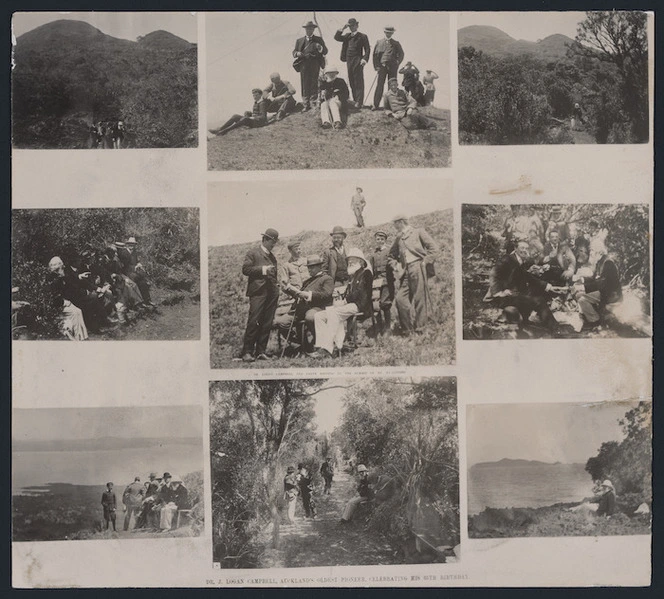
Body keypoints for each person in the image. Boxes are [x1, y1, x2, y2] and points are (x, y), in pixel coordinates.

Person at [483, 239, 564, 334]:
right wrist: (499, 292)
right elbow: (494, 274)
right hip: (502, 297)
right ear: (515, 248)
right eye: (522, 247)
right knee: (539, 301)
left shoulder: (521, 260)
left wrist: (548, 286)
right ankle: (556, 329)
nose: (525, 250)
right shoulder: (507, 259)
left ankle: (526, 321)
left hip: (514, 294)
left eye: (526, 248)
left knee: (539, 292)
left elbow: (527, 277)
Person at [310, 248, 373, 358]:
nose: (350, 262)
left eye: (354, 259)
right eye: (349, 260)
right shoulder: (352, 276)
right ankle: (322, 346)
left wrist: (344, 301)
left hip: (360, 305)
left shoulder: (365, 273)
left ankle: (327, 349)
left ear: (361, 262)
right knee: (319, 315)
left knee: (334, 313)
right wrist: (340, 299)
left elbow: (360, 293)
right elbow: (349, 293)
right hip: (349, 305)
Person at [388, 215, 438, 335]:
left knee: (419, 298)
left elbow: (434, 249)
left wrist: (425, 261)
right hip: (405, 271)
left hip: (418, 267)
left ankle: (421, 329)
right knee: (400, 299)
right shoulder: (399, 238)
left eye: (395, 223)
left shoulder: (418, 232)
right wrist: (396, 266)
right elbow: (391, 256)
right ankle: (407, 330)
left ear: (400, 222)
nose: (394, 226)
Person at [273, 254, 334, 351]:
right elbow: (299, 294)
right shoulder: (307, 281)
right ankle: (302, 344)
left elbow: (327, 295)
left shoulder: (327, 279)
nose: (310, 270)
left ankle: (320, 342)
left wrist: (309, 295)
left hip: (318, 307)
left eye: (312, 267)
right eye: (309, 267)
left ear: (319, 267)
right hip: (300, 309)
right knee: (281, 322)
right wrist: (289, 289)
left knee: (310, 317)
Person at [240, 228, 280, 362]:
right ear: (265, 239)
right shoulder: (253, 253)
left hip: (271, 293)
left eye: (275, 242)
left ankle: (261, 351)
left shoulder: (272, 257)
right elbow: (245, 269)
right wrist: (263, 270)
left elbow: (274, 275)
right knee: (254, 321)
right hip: (258, 293)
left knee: (267, 323)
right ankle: (247, 352)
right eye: (272, 242)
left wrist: (276, 288)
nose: (273, 245)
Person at [48, 256, 108, 335]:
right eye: (60, 268)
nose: (62, 269)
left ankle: (100, 323)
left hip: (74, 297)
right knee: (90, 302)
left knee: (93, 299)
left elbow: (76, 280)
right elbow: (61, 294)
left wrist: (96, 288)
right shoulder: (54, 279)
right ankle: (94, 327)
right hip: (68, 301)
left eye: (61, 267)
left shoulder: (65, 274)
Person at [575, 246, 622, 328]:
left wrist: (583, 287)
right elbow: (594, 278)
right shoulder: (600, 262)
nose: (591, 253)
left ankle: (595, 321)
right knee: (579, 295)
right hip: (604, 291)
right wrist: (582, 280)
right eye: (591, 251)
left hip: (611, 294)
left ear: (600, 253)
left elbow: (602, 283)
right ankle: (588, 317)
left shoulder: (608, 263)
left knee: (582, 299)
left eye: (593, 250)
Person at [333, 18, 371, 108]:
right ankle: (355, 101)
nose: (351, 28)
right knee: (351, 80)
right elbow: (337, 38)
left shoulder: (362, 36)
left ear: (357, 26)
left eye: (353, 26)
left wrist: (364, 59)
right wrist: (343, 28)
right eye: (350, 26)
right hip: (349, 60)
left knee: (358, 81)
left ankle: (359, 102)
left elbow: (368, 49)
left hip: (358, 60)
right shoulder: (347, 36)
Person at [293, 21, 328, 112]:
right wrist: (297, 53)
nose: (310, 30)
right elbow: (294, 52)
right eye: (308, 28)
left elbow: (325, 51)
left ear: (313, 29)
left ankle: (313, 102)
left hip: (315, 63)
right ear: (305, 29)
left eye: (311, 28)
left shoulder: (318, 39)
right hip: (303, 64)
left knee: (314, 82)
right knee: (304, 83)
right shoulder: (299, 40)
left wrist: (320, 48)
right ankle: (306, 104)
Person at [372, 26, 404, 111]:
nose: (389, 34)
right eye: (387, 32)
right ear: (384, 32)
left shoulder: (396, 43)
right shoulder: (379, 42)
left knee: (392, 86)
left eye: (390, 32)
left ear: (392, 33)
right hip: (382, 67)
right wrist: (377, 66)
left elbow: (401, 54)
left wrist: (397, 62)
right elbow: (375, 56)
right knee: (379, 85)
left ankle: (391, 106)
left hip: (392, 67)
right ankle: (376, 105)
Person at [370, 230, 395, 336]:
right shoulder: (373, 254)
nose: (380, 241)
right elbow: (371, 269)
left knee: (385, 304)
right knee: (376, 305)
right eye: (378, 239)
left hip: (386, 282)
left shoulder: (389, 251)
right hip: (376, 282)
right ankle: (379, 327)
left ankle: (388, 327)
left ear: (385, 240)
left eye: (382, 239)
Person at [118, 237, 154, 307]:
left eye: (133, 245)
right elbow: (124, 266)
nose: (132, 246)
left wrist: (138, 264)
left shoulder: (134, 252)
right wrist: (134, 267)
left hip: (133, 272)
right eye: (130, 244)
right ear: (127, 244)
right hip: (126, 273)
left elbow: (136, 261)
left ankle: (147, 300)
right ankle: (138, 302)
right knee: (135, 280)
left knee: (143, 282)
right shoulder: (124, 252)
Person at [319, 66, 349, 130]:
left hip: (339, 102)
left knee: (333, 102)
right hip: (328, 103)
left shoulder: (341, 81)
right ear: (326, 74)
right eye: (329, 73)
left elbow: (346, 94)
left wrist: (338, 96)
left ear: (336, 73)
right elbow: (322, 99)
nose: (331, 75)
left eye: (333, 73)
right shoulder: (324, 84)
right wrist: (323, 95)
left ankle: (337, 121)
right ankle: (326, 122)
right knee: (323, 104)